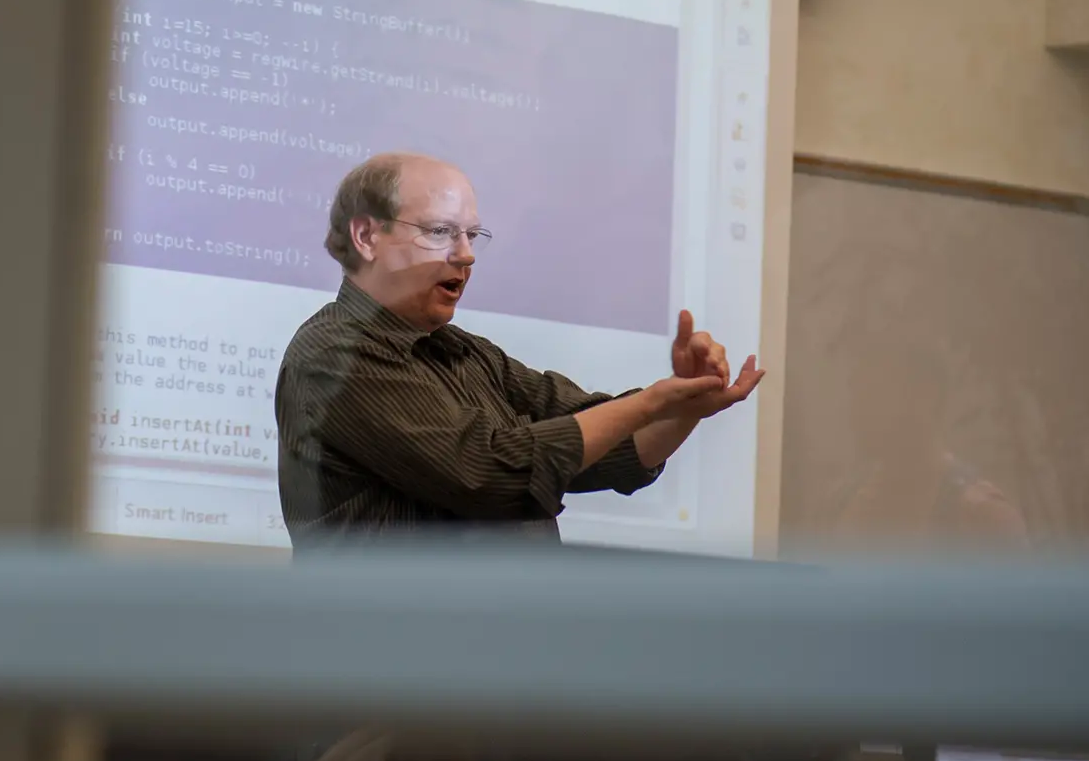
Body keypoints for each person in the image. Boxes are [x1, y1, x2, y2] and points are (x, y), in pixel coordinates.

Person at [274, 152, 763, 547]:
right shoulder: (333, 353)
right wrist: (650, 402)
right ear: (366, 236)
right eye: (440, 231)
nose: (465, 254)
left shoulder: (469, 354)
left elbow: (605, 444)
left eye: (472, 235)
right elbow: (484, 473)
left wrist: (684, 403)